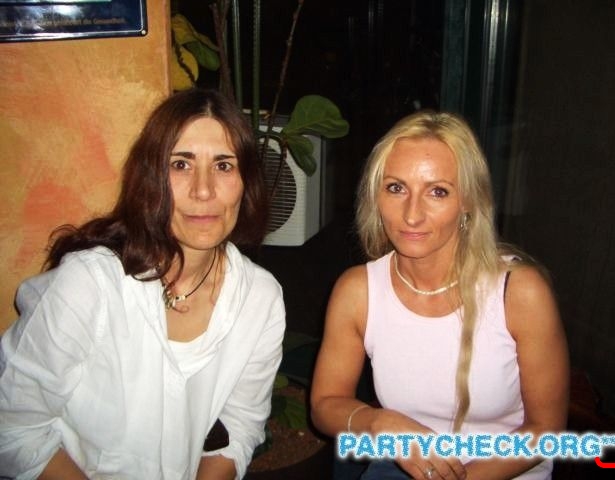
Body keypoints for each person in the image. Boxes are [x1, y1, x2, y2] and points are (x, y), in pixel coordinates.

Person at [0, 88, 285, 480]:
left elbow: (241, 425)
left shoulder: (261, 299)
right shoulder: (91, 285)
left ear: (246, 182)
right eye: (181, 165)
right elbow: (13, 428)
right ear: (152, 179)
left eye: (223, 166)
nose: (203, 190)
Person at [311, 111, 569, 480]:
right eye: (396, 188)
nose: (412, 215)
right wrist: (376, 422)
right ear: (375, 195)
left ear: (468, 202)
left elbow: (546, 430)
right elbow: (324, 404)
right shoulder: (358, 291)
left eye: (437, 191)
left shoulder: (520, 293)